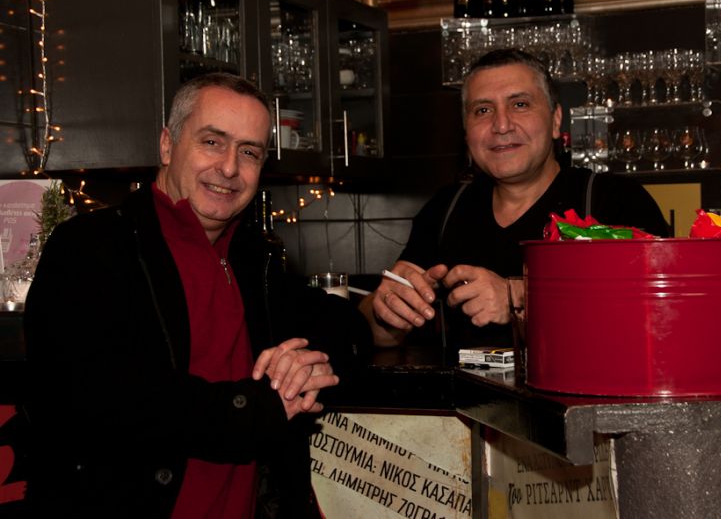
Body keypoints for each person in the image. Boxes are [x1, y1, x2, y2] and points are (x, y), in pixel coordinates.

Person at [23, 73, 369, 517]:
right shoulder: (91, 247)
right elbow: (109, 397)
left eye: (249, 152)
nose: (229, 168)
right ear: (167, 145)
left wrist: (311, 362)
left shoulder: (253, 257)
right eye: (212, 142)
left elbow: (340, 328)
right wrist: (260, 408)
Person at [360, 49, 669, 350]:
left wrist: (518, 296)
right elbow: (379, 335)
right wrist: (385, 310)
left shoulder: (614, 200)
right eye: (483, 110)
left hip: (586, 385)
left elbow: (662, 312)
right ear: (466, 133)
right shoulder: (445, 209)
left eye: (520, 104)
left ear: (556, 120)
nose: (501, 125)